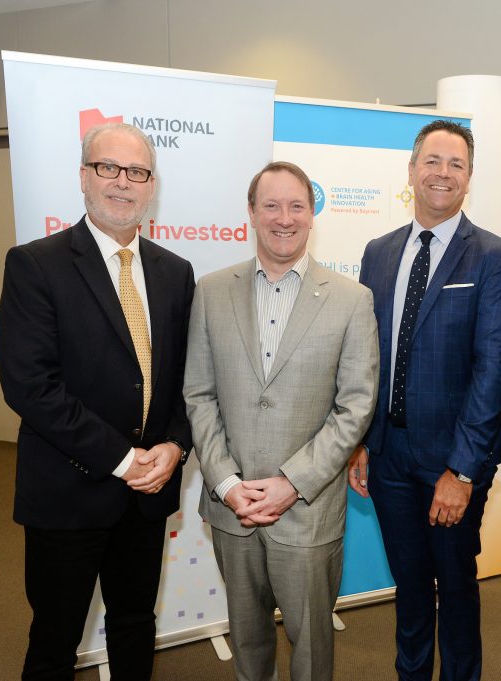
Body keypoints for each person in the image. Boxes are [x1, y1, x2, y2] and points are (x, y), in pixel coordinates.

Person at [0, 122, 195, 680]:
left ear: (151, 185)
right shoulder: (36, 265)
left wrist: (176, 445)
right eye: (109, 168)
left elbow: (186, 380)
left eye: (137, 172)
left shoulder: (175, 273)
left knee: (135, 624)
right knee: (56, 638)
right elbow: (30, 386)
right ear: (84, 176)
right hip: (68, 492)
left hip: (148, 494)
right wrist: (125, 459)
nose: (123, 183)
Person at [184, 161, 379, 681]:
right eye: (271, 205)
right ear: (251, 212)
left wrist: (292, 484)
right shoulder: (211, 291)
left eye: (296, 205)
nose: (284, 218)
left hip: (308, 510)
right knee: (247, 640)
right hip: (233, 507)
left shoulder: (352, 299)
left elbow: (355, 406)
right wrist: (225, 482)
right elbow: (199, 395)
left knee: (311, 646)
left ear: (312, 214)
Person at [348, 120, 501, 681]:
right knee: (409, 587)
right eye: (432, 161)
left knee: (454, 587)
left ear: (469, 177)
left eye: (455, 164)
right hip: (387, 456)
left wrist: (462, 470)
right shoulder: (378, 253)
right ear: (411, 170)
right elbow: (366, 356)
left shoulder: (495, 258)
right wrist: (360, 441)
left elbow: (492, 371)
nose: (442, 173)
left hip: (452, 459)